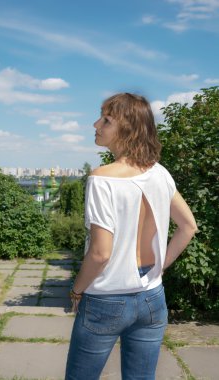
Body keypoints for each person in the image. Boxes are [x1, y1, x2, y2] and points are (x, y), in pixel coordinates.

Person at [65, 93, 197, 380]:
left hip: (106, 298)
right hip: (152, 297)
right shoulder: (160, 173)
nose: (96, 124)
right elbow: (188, 227)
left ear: (128, 128)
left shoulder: (102, 178)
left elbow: (100, 253)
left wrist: (76, 290)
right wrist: (158, 269)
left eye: (106, 119)